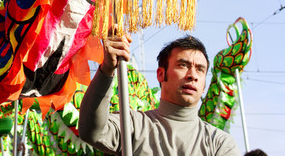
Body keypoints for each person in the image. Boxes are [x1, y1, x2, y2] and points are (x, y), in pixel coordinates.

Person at [78, 35, 241, 155]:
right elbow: (91, 131)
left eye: (200, 69)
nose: (193, 75)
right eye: (183, 65)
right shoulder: (133, 125)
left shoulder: (220, 143)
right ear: (161, 74)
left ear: (204, 84)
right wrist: (106, 69)